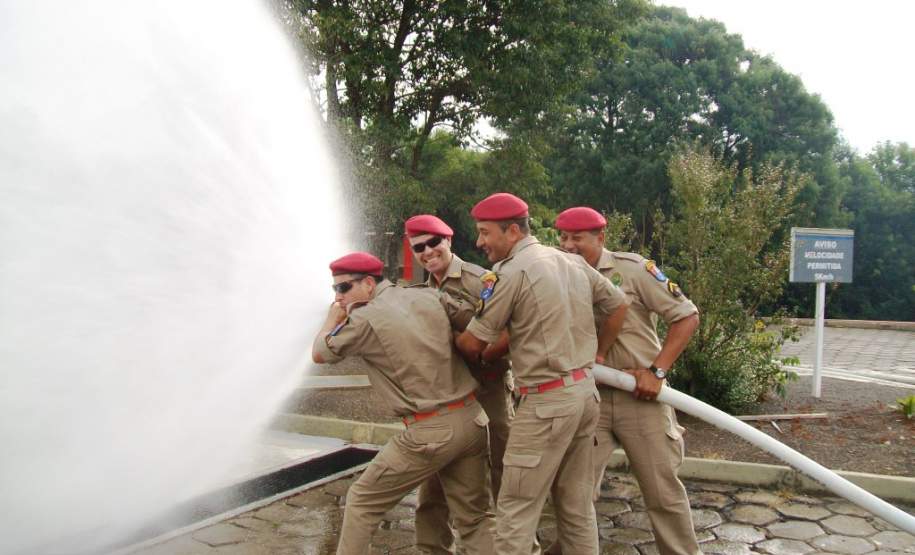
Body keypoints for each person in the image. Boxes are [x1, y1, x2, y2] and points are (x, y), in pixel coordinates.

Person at [454, 193, 629, 555]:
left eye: (485, 233)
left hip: (546, 404)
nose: (479, 242)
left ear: (513, 230)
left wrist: (444, 326)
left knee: (515, 509)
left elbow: (474, 344)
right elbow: (618, 304)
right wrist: (596, 352)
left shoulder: (510, 272)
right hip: (584, 396)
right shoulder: (568, 261)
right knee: (577, 508)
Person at [311, 252, 495, 555]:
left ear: (369, 283)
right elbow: (476, 321)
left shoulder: (363, 319)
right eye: (334, 290)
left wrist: (332, 319)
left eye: (343, 288)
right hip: (472, 419)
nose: (338, 296)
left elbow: (321, 353)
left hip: (430, 432)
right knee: (474, 519)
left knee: (362, 500)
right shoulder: (428, 295)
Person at [553, 206, 701, 555]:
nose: (568, 245)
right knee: (573, 492)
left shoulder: (633, 269)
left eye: (578, 238)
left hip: (642, 398)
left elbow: (686, 316)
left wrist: (657, 372)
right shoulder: (556, 273)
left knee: (663, 493)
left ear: (600, 238)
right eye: (563, 237)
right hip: (592, 399)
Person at [404, 214, 514, 555]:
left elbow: (509, 330)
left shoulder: (481, 280)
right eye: (418, 247)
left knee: (502, 474)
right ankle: (431, 548)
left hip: (489, 389)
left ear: (448, 240)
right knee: (434, 481)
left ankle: (513, 547)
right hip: (447, 398)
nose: (427, 252)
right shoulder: (421, 291)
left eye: (433, 242)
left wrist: (474, 348)